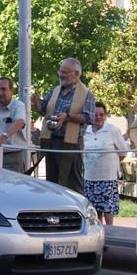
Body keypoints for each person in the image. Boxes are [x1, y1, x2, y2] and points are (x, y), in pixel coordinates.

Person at [31, 57, 94, 195]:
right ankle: (54, 212)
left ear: (76, 74)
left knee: (72, 184)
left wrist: (68, 117)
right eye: (60, 71)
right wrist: (37, 104)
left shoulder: (86, 94)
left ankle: (76, 214)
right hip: (51, 142)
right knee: (52, 184)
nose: (61, 74)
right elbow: (45, 109)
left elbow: (89, 117)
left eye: (65, 72)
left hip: (71, 145)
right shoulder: (55, 90)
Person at [83, 102, 128, 225]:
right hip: (90, 177)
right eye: (95, 115)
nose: (98, 117)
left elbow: (123, 152)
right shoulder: (85, 131)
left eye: (101, 114)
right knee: (94, 210)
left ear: (105, 115)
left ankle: (110, 234)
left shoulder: (113, 130)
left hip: (107, 177)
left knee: (108, 208)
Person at [0, 77, 29, 173]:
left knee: (13, 187)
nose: (0, 93)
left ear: (11, 91)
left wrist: (3, 137)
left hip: (13, 158)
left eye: (3, 89)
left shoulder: (18, 105)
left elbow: (20, 122)